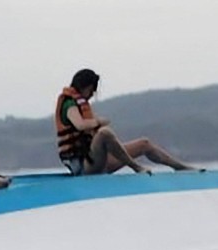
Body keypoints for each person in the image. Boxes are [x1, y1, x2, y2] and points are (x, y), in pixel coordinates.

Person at [55, 68, 201, 176]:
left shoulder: (81, 103)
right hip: (83, 167)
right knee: (104, 133)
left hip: (97, 161)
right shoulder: (69, 104)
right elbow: (80, 125)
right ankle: (136, 167)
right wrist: (98, 121)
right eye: (92, 90)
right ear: (85, 87)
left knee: (144, 143)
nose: (92, 94)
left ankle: (180, 167)